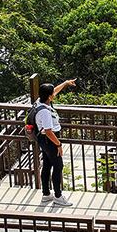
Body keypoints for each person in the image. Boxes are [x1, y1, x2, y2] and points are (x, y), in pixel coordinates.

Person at [35, 79, 76, 207]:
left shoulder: (39, 102)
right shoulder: (45, 112)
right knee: (58, 166)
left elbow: (55, 91)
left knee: (47, 165)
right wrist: (58, 144)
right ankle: (58, 196)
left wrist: (65, 83)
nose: (55, 94)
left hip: (43, 140)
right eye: (53, 93)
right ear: (49, 96)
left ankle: (46, 194)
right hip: (50, 140)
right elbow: (48, 131)